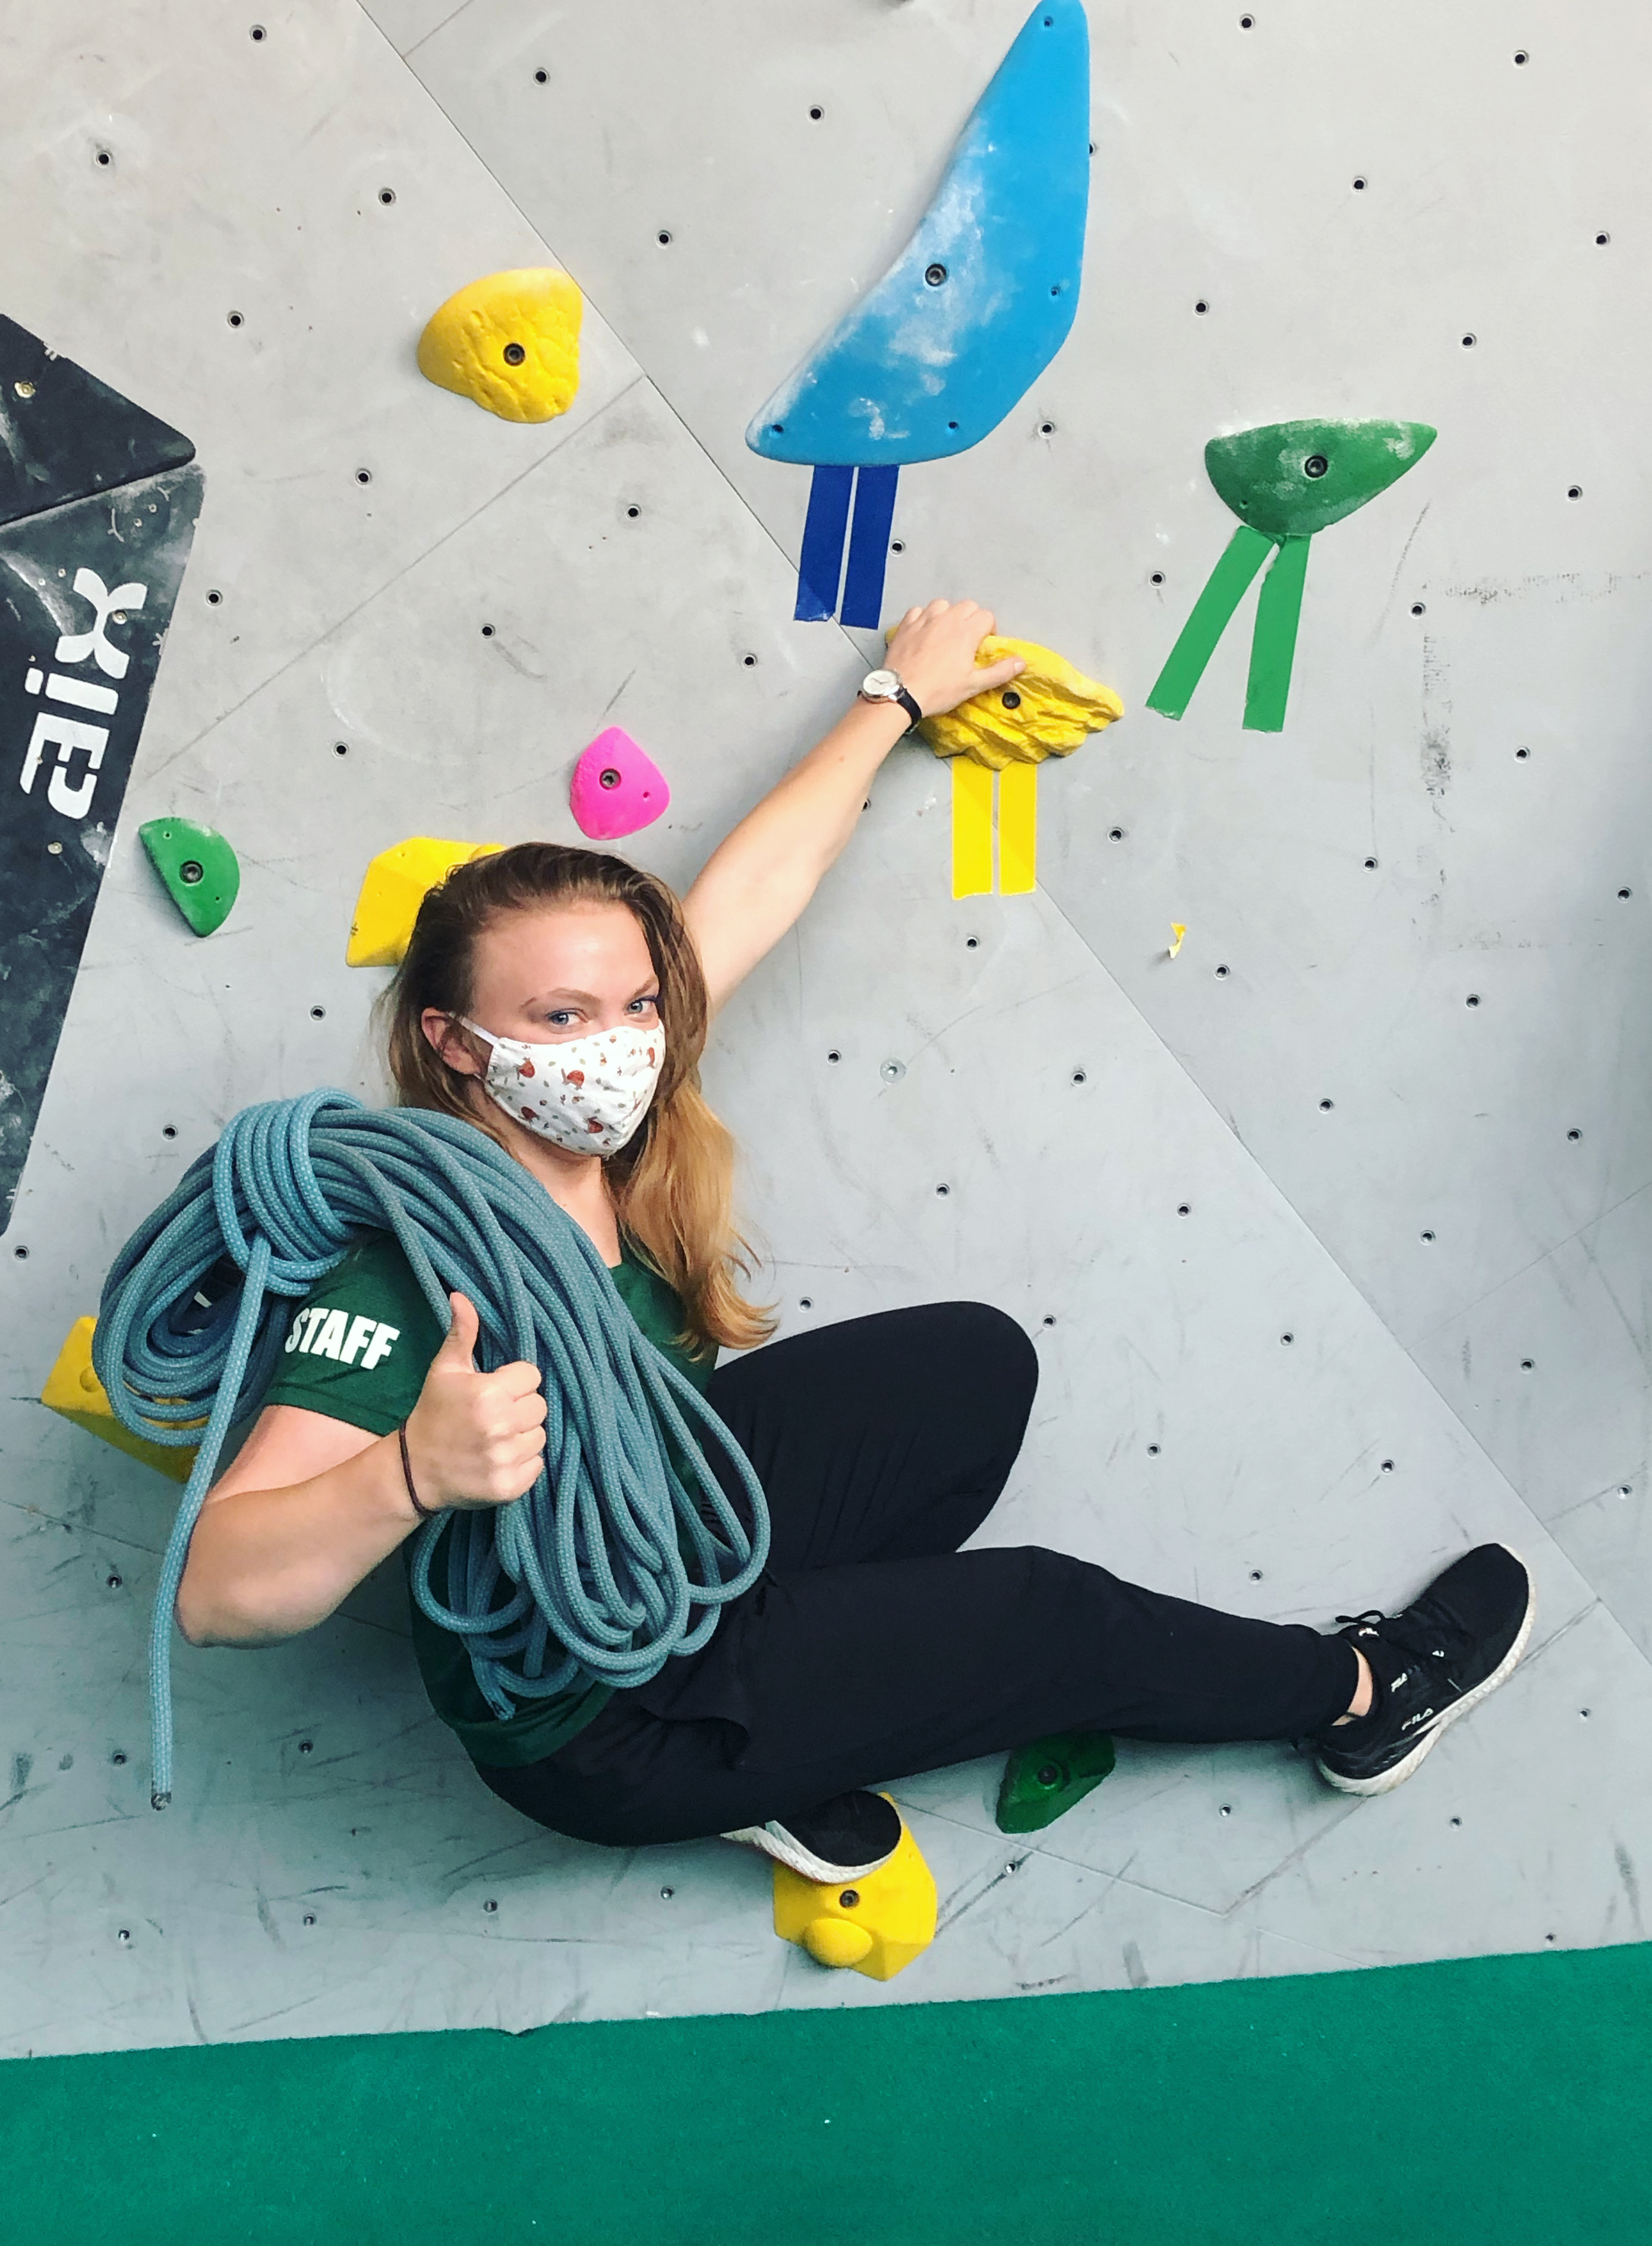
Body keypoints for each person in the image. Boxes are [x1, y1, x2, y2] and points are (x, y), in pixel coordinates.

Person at [180, 600, 1534, 1885]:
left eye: (635, 1003)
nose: (612, 1045)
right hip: (598, 1725)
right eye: (557, 1019)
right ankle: (1363, 1697)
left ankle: (798, 1705)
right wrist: (413, 1472)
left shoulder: (622, 1127)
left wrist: (895, 700)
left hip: (668, 1538)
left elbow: (756, 890)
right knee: (1045, 1620)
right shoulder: (415, 1270)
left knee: (970, 1374)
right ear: (452, 1043)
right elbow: (220, 1589)